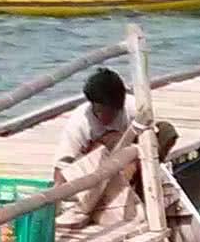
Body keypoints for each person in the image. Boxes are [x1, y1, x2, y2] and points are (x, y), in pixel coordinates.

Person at [53, 69, 137, 227]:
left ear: (119, 107)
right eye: (97, 111)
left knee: (162, 132)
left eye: (108, 112)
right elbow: (61, 167)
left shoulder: (133, 109)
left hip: (125, 168)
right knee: (101, 147)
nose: (101, 116)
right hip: (91, 180)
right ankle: (84, 210)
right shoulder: (79, 122)